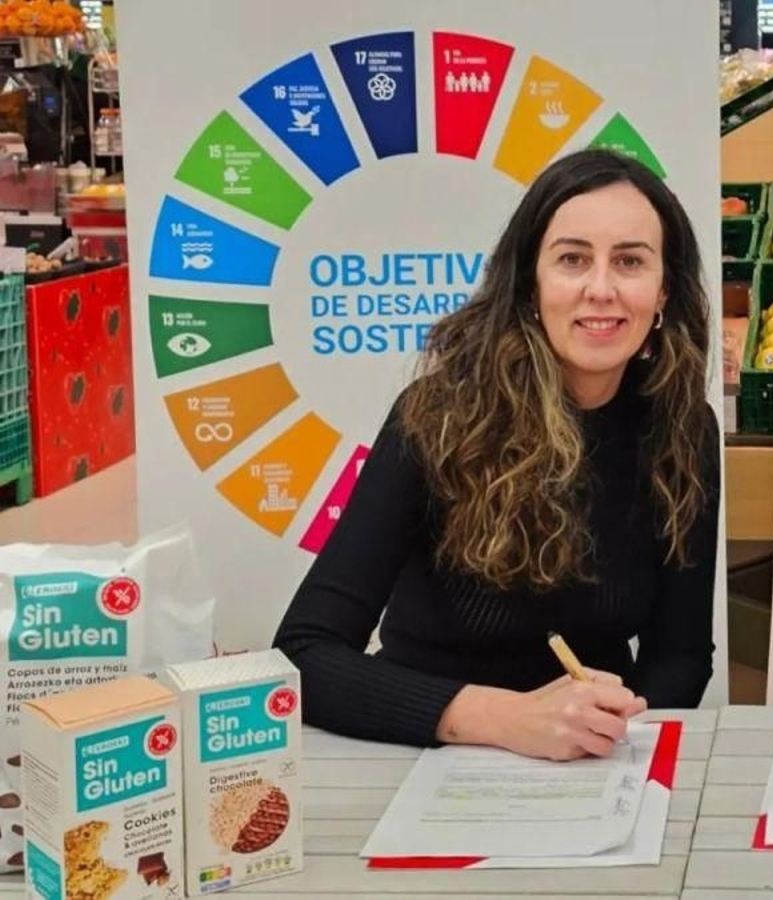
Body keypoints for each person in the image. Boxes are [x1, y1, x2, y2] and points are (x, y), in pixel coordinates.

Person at [275, 149, 720, 761]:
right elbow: (304, 653)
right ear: (529, 284)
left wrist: (618, 728)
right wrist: (506, 718)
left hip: (592, 767)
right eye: (571, 259)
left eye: (629, 261)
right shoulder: (436, 416)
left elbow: (681, 654)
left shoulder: (685, 427)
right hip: (420, 756)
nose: (601, 288)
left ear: (664, 288)